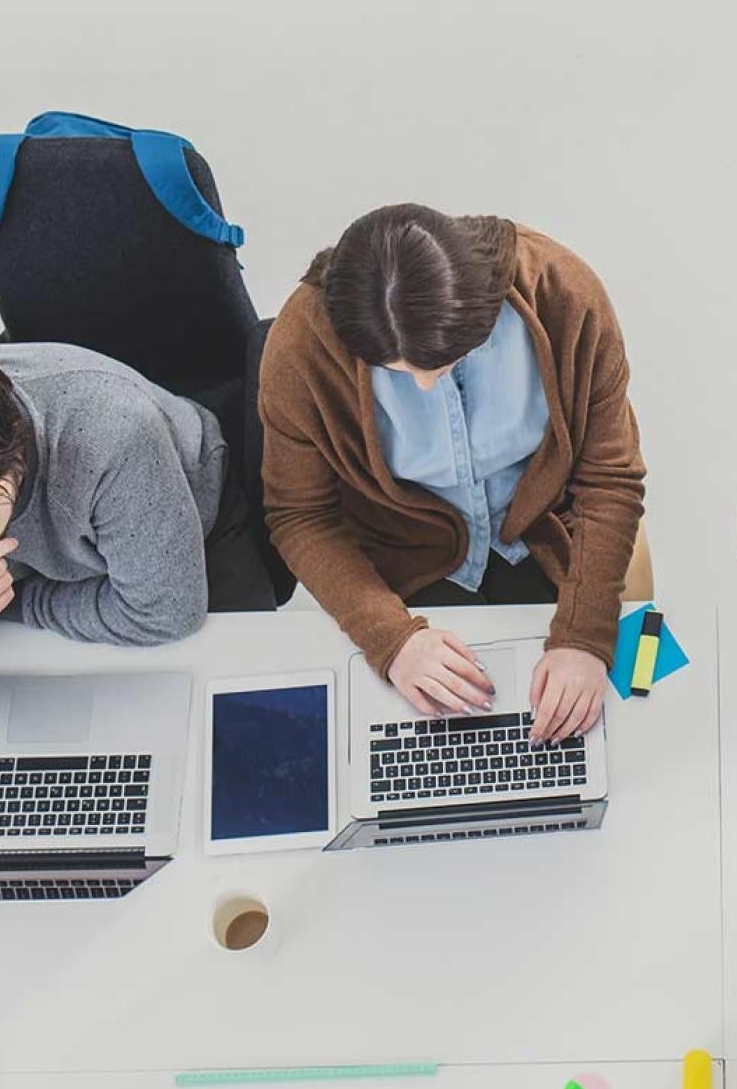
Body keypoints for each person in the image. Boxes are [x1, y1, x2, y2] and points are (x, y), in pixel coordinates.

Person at [258, 204, 645, 744]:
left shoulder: (564, 293)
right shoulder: (302, 343)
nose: (420, 387)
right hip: (405, 572)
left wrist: (585, 637)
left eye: (440, 367)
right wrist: (391, 640)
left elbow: (610, 478)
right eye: (396, 372)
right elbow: (301, 515)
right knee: (427, 755)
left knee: (619, 730)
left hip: (545, 547)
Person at [0, 325, 276, 686]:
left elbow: (166, 614)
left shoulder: (115, 437)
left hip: (190, 518)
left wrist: (11, 604)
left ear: (15, 450)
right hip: (71, 582)